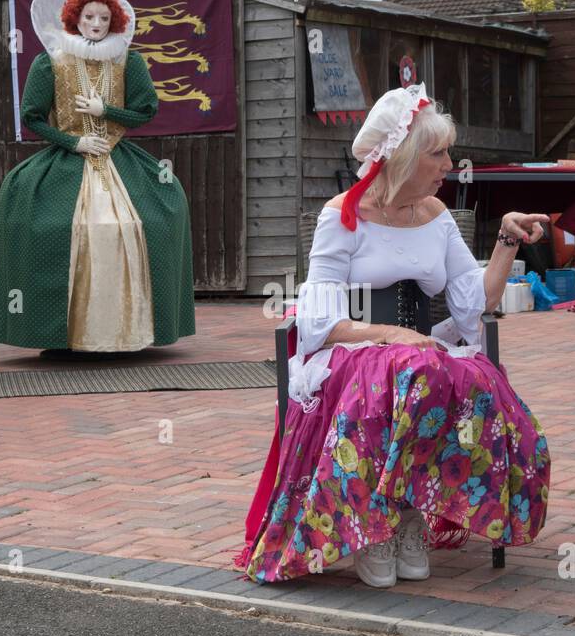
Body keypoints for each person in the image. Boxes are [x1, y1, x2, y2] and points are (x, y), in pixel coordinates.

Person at [236, 83, 552, 587]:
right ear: (403, 157)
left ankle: (408, 518)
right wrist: (388, 336)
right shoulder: (342, 215)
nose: (450, 163)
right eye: (438, 153)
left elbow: (474, 305)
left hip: (420, 354)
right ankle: (374, 523)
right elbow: (319, 321)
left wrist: (507, 240)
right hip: (352, 352)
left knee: (471, 381)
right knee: (405, 372)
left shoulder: (437, 215)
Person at [0, 0, 195, 352]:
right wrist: (74, 141)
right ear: (75, 19)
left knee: (162, 212)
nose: (96, 24)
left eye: (104, 18)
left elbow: (146, 111)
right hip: (68, 157)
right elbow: (32, 117)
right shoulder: (50, 61)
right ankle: (57, 332)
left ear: (114, 22)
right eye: (89, 17)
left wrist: (106, 111)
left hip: (118, 155)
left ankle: (134, 331)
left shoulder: (129, 60)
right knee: (49, 224)